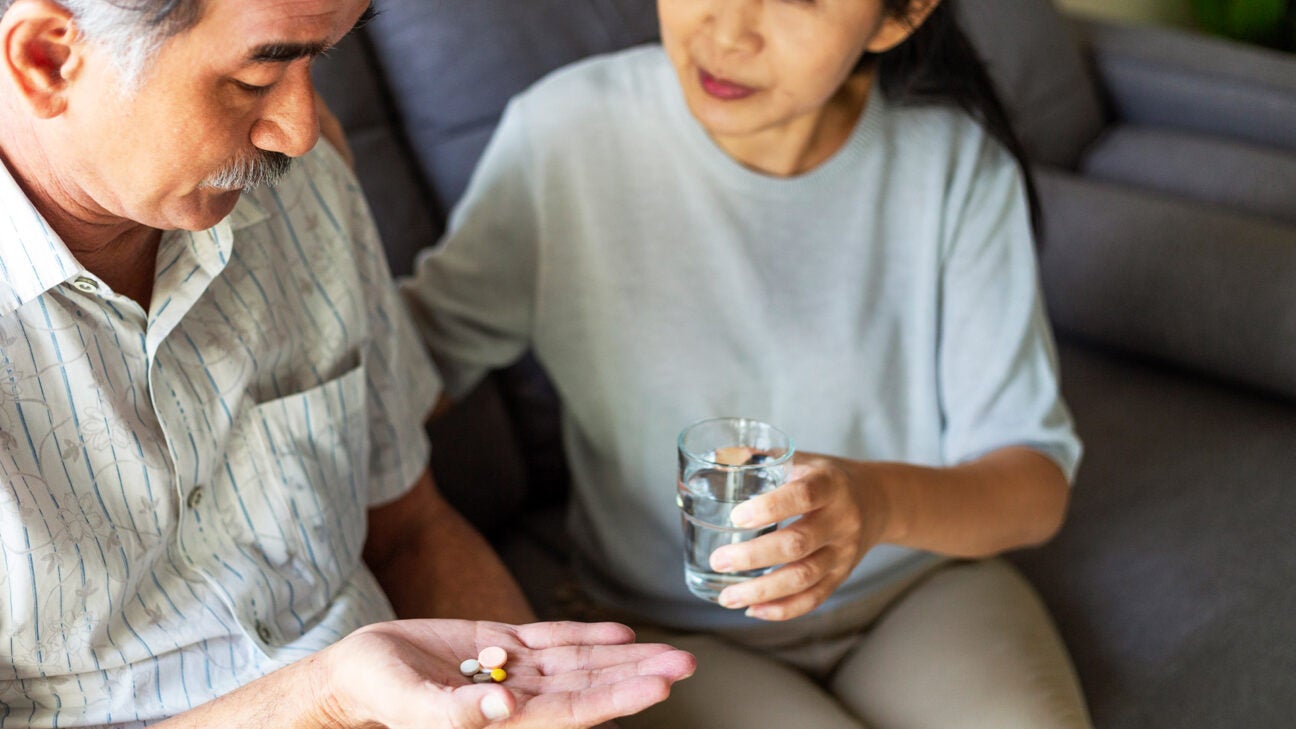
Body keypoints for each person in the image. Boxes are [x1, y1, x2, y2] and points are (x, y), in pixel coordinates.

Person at [0, 0, 695, 727]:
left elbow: (412, 528)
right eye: (255, 75)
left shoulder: (301, 192)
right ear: (48, 58)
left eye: (319, 58)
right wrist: (321, 699)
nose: (302, 133)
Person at [399, 0, 1094, 726]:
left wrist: (876, 502)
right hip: (664, 624)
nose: (726, 34)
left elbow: (1033, 483)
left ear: (900, 16)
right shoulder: (564, 135)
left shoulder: (953, 162)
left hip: (916, 591)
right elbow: (413, 364)